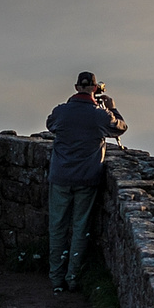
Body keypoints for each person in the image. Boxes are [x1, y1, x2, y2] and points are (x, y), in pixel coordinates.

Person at [45, 71, 126, 295]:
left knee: (57, 227)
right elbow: (120, 128)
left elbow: (50, 125)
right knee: (80, 228)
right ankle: (73, 278)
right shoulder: (100, 115)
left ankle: (55, 279)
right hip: (87, 178)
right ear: (95, 88)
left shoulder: (61, 112)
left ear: (75, 87)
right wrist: (112, 108)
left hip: (60, 176)